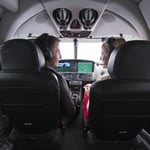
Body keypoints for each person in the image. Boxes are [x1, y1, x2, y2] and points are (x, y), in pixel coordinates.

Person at [34, 33, 76, 126]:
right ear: (47, 54)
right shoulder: (56, 78)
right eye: (58, 51)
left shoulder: (10, 77)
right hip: (50, 127)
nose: (60, 56)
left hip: (20, 126)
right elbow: (70, 112)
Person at [83, 37, 126, 121]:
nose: (100, 58)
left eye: (102, 54)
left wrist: (89, 94)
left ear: (112, 56)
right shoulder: (141, 80)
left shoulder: (102, 84)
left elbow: (90, 113)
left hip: (103, 129)